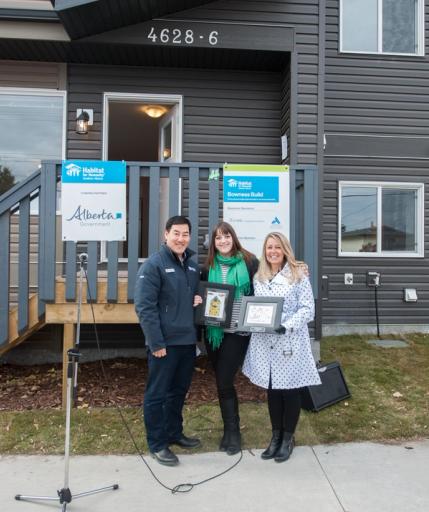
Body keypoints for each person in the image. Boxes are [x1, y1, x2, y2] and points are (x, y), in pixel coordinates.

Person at [242, 232, 321, 463]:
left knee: (290, 390)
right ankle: (275, 436)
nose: (273, 251)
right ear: (264, 251)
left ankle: (288, 438)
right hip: (265, 342)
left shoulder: (297, 275)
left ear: (285, 249)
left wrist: (285, 326)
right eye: (269, 248)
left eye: (277, 247)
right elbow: (257, 307)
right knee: (272, 389)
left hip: (289, 340)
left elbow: (308, 310)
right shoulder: (260, 276)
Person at [134, 215, 201, 467]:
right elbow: (144, 307)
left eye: (185, 234)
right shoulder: (154, 265)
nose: (180, 238)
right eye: (176, 233)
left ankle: (174, 433)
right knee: (157, 394)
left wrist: (198, 299)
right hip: (164, 345)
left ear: (189, 237)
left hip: (186, 342)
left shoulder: (192, 266)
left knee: (178, 392)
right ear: (166, 234)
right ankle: (158, 443)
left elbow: (196, 293)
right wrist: (156, 343)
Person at [196, 222, 259, 455]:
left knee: (224, 380)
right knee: (222, 382)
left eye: (226, 236)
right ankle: (229, 430)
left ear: (234, 238)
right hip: (214, 333)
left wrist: (299, 267)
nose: (223, 241)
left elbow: (270, 279)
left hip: (238, 332)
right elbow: (199, 295)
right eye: (218, 238)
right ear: (213, 243)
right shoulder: (206, 267)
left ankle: (233, 432)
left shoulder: (250, 263)